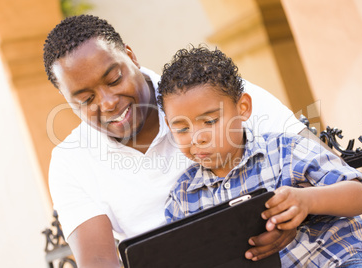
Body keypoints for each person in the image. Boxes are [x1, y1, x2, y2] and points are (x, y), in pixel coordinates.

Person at [44, 14, 319, 267]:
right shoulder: (71, 161)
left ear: (131, 56)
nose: (108, 102)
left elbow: (323, 166)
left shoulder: (216, 94)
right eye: (86, 100)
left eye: (115, 79)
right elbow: (99, 262)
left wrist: (292, 217)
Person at [158, 46, 362, 267]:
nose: (197, 137)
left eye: (210, 121)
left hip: (344, 260)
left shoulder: (285, 150)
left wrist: (306, 201)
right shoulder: (182, 200)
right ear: (169, 125)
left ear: (243, 108)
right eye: (181, 129)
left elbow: (360, 196)